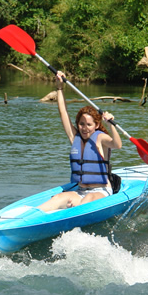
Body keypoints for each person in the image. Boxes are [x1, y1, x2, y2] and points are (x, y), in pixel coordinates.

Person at [37, 71, 122, 212]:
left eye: (89, 125)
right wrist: (59, 88)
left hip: (101, 192)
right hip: (80, 191)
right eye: (81, 124)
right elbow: (63, 113)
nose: (84, 128)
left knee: (87, 200)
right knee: (57, 199)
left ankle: (73, 215)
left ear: (96, 125)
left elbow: (117, 145)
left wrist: (111, 125)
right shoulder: (75, 138)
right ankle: (27, 217)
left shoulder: (100, 138)